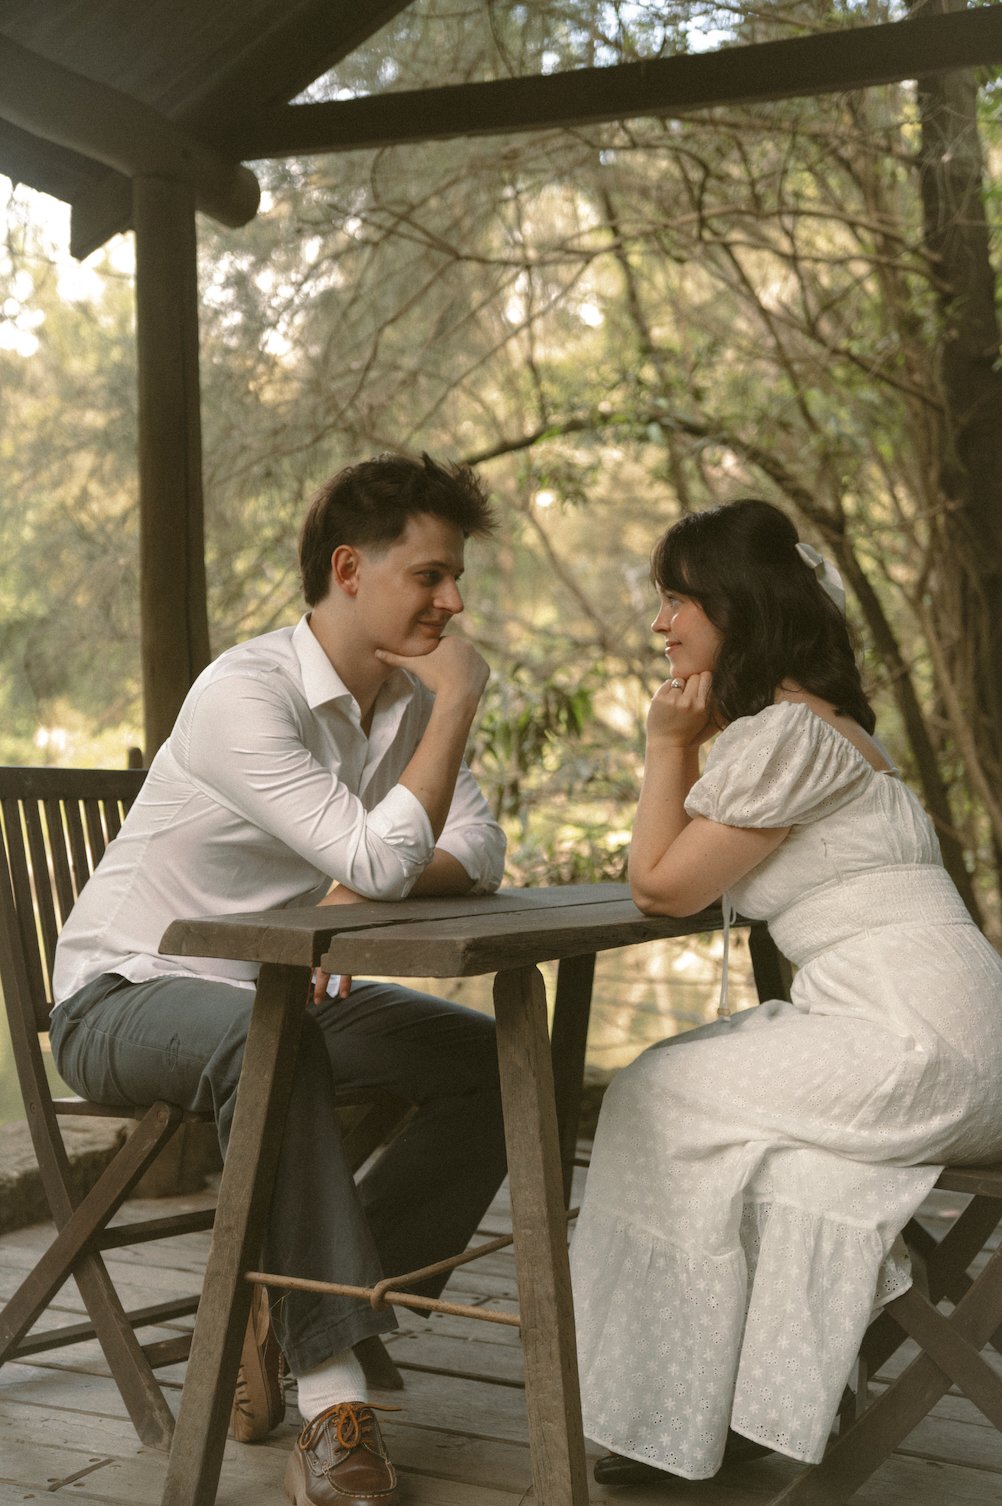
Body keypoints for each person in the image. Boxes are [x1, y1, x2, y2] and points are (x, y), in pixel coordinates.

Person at [50, 452, 509, 1506]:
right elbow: (389, 858)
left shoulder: (397, 701)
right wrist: (452, 717)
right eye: (432, 575)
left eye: (456, 578)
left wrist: (363, 885)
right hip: (126, 993)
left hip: (282, 1000)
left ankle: (306, 1302)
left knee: (485, 1059)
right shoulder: (243, 693)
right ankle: (335, 1397)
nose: (455, 601)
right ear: (350, 569)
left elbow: (477, 850)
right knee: (277, 1041)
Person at [570, 498, 1002, 1486]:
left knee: (653, 1094)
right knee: (754, 1146)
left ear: (742, 606)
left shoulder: (790, 737)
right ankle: (713, 1414)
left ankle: (673, 1415)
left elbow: (659, 885)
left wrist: (665, 744)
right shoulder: (832, 732)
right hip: (962, 1041)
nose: (661, 623)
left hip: (914, 1040)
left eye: (678, 598)